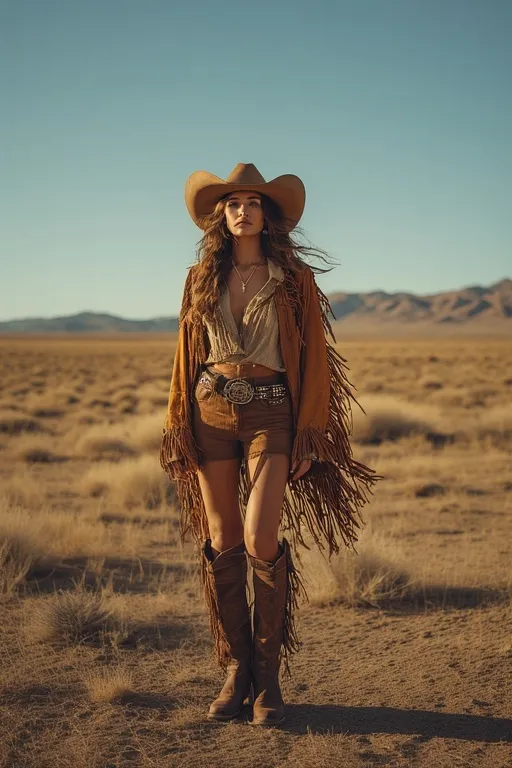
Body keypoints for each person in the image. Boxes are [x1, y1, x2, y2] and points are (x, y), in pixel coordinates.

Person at [160, 162, 380, 726]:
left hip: (271, 412)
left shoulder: (294, 278)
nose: (242, 211)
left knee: (261, 538)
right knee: (222, 538)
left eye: (252, 203)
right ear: (221, 217)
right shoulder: (199, 278)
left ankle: (269, 674)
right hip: (210, 408)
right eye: (232, 204)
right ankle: (237, 671)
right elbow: (185, 357)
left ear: (268, 214)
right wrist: (179, 421)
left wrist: (311, 432)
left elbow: (313, 363)